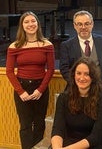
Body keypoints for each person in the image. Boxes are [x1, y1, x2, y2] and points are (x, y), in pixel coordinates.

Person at [6, 11, 55, 149]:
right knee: (25, 125)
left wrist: (40, 89)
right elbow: (9, 72)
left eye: (33, 21)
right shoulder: (14, 46)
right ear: (22, 25)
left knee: (40, 124)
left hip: (41, 88)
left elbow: (50, 69)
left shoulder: (47, 44)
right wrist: (21, 92)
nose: (30, 24)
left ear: (38, 24)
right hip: (22, 88)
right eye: (26, 22)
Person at [51, 57, 102, 148]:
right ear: (73, 75)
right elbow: (57, 129)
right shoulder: (64, 97)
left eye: (86, 74)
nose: (82, 78)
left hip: (95, 145)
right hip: (70, 143)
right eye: (78, 73)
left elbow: (95, 137)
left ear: (93, 77)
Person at [60, 10, 102, 95]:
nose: (83, 27)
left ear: (92, 24)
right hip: (77, 88)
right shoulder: (66, 45)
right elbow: (64, 70)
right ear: (74, 26)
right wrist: (80, 83)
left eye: (87, 24)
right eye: (80, 24)